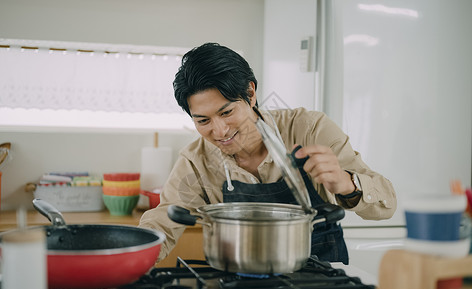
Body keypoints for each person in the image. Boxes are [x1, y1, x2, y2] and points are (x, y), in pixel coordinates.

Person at [139, 42, 397, 265]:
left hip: (320, 276)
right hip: (237, 274)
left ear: (250, 93)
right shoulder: (196, 160)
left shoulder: (308, 128)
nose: (219, 131)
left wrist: (346, 183)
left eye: (226, 112)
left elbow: (387, 205)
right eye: (203, 121)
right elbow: (162, 222)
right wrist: (127, 258)